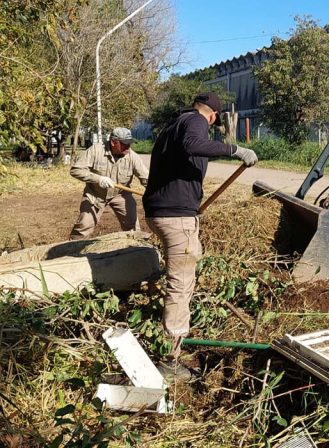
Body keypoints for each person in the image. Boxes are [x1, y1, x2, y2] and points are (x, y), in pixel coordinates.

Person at [142, 92, 257, 380]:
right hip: (175, 216)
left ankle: (173, 337)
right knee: (179, 286)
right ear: (214, 116)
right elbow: (194, 145)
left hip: (163, 212)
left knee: (187, 265)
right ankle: (169, 359)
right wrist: (234, 150)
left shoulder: (173, 125)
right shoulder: (195, 122)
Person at [69, 127, 148, 240]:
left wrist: (157, 193)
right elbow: (75, 170)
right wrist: (98, 179)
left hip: (121, 195)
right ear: (113, 142)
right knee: (83, 227)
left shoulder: (132, 156)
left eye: (129, 143)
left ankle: (136, 252)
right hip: (95, 195)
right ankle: (71, 252)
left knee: (133, 228)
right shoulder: (96, 150)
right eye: (124, 144)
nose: (128, 147)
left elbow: (146, 178)